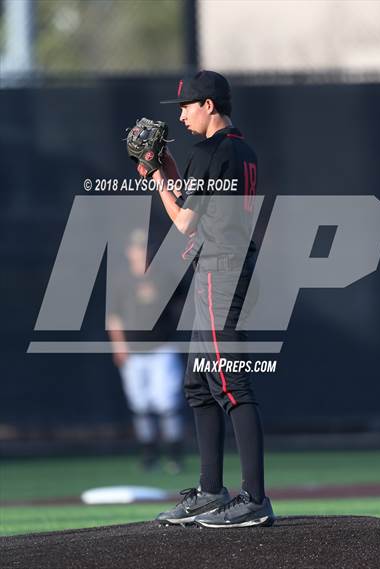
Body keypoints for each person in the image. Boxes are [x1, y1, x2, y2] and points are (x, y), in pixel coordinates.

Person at [148, 70, 274, 527]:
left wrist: (155, 180)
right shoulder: (240, 148)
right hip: (228, 267)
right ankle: (210, 492)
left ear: (209, 106)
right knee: (199, 385)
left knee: (230, 384)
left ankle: (254, 499)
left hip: (219, 273)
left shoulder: (208, 151)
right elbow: (201, 203)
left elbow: (184, 222)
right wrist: (169, 170)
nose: (181, 114)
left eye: (187, 105)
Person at [107, 229, 184, 473]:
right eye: (137, 249)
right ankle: (148, 453)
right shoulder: (120, 280)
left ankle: (174, 454)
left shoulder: (164, 276)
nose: (142, 253)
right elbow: (113, 317)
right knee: (140, 404)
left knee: (167, 403)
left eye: (145, 248)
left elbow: (184, 304)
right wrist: (118, 346)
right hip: (133, 352)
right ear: (130, 252)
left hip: (162, 347)